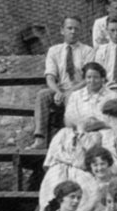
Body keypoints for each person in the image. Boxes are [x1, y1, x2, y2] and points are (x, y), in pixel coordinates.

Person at [34, 16, 94, 147]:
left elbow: (88, 79)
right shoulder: (54, 50)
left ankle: (72, 141)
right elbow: (50, 76)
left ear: (80, 32)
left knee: (71, 97)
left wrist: (71, 91)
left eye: (76, 29)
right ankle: (40, 138)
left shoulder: (88, 51)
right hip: (60, 89)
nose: (73, 32)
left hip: (79, 89)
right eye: (69, 28)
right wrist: (57, 92)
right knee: (42, 95)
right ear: (62, 30)